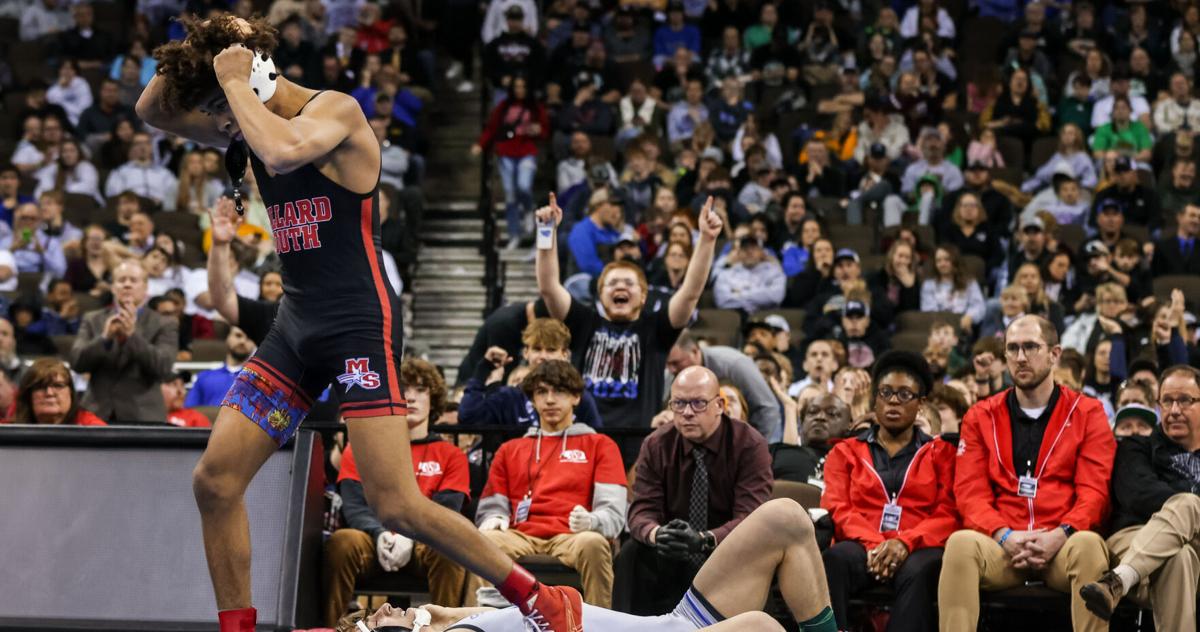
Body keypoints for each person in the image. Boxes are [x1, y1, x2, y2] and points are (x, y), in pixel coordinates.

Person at [136, 16, 582, 632]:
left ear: (259, 79)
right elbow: (150, 109)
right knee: (214, 481)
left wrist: (235, 82)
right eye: (216, 112)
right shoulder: (245, 115)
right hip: (295, 328)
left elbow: (282, 150)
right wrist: (203, 47)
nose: (220, 125)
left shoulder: (336, 113)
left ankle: (541, 597)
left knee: (395, 503)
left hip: (358, 327)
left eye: (224, 109)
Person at [342, 497, 838, 632]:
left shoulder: (453, 625)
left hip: (674, 625)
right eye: (374, 618)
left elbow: (453, 615)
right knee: (760, 628)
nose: (383, 607)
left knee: (785, 518)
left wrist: (432, 617)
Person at [939, 315, 1115, 632]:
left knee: (1089, 546)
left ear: (1055, 354)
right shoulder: (980, 415)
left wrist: (1059, 535)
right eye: (1013, 349)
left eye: (1031, 347)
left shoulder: (1088, 412)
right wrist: (1004, 535)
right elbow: (970, 495)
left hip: (1063, 544)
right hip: (1003, 545)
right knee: (961, 544)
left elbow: (1094, 493)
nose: (1021, 357)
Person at [534, 193, 719, 464]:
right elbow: (549, 288)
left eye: (629, 283)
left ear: (643, 297)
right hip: (584, 441)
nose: (621, 287)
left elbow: (690, 294)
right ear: (600, 295)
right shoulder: (585, 323)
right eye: (613, 283)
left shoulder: (655, 329)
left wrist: (707, 239)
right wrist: (546, 232)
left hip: (640, 445)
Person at [325, 358, 471, 626]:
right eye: (403, 388)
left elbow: (446, 511)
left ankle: (447, 629)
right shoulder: (361, 448)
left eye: (421, 389)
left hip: (426, 544)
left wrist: (412, 539)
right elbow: (355, 506)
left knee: (450, 548)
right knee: (342, 541)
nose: (411, 397)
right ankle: (333, 628)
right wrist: (380, 533)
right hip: (373, 539)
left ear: (434, 398)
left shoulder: (452, 455)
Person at [618, 366, 773, 616]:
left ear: (719, 405)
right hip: (671, 551)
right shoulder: (657, 444)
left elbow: (750, 520)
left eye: (698, 403)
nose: (687, 413)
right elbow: (641, 510)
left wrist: (703, 540)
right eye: (678, 404)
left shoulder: (749, 444)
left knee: (754, 547)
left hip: (729, 553)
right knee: (632, 553)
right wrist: (658, 534)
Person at [470, 360, 625, 608]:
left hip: (573, 536)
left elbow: (614, 514)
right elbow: (492, 506)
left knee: (593, 542)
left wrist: (593, 521)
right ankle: (485, 622)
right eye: (542, 392)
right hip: (521, 534)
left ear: (576, 397)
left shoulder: (600, 444)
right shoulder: (510, 449)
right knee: (482, 541)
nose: (550, 400)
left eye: (559, 391)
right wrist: (494, 517)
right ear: (532, 399)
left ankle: (600, 623)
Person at [822, 351, 958, 632]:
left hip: (917, 548)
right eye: (886, 393)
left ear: (920, 404)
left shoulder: (941, 453)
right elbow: (837, 507)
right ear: (875, 401)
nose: (894, 400)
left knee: (921, 569)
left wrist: (904, 543)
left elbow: (948, 512)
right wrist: (875, 544)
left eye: (905, 394)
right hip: (862, 546)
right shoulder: (845, 451)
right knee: (834, 559)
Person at [1079, 365, 1200, 630]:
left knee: (1191, 506)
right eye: (1167, 401)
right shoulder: (1137, 445)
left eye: (1185, 400)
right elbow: (1138, 494)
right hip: (1135, 534)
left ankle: (1117, 582)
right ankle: (1123, 576)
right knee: (1179, 557)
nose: (1174, 410)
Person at [69, 260, 177, 422]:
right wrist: (104, 338)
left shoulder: (164, 323)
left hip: (144, 417)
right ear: (113, 287)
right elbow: (77, 362)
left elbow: (163, 367)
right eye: (121, 280)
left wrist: (132, 337)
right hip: (97, 415)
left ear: (146, 287)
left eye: (133, 280)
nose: (127, 285)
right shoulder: (92, 319)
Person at [459, 318, 603, 428]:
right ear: (526, 353)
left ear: (565, 354)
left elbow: (596, 439)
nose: (543, 356)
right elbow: (468, 418)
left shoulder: (579, 398)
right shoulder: (509, 397)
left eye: (551, 350)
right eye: (537, 349)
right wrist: (482, 371)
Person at [471, 75, 549, 250]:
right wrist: (480, 145)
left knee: (523, 186)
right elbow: (492, 128)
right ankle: (515, 234)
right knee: (510, 195)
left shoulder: (536, 108)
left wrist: (538, 131)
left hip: (527, 151)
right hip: (506, 152)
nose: (520, 90)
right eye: (517, 87)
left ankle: (529, 211)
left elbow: (545, 131)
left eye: (523, 87)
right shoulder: (503, 107)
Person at [664, 330, 782, 440]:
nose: (671, 369)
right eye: (667, 364)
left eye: (675, 362)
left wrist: (754, 448)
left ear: (695, 351)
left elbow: (768, 408)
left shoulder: (734, 365)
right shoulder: (675, 373)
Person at [770, 389, 853, 484]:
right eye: (812, 412)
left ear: (848, 425)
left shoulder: (852, 464)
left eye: (831, 413)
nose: (820, 417)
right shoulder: (777, 451)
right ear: (802, 421)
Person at [7, 357, 105, 426]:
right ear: (28, 396)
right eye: (40, 387)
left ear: (70, 392)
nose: (49, 393)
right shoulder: (8, 430)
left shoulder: (91, 426)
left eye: (58, 386)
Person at [711, 236, 785, 314]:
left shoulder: (774, 272)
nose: (749, 252)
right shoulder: (725, 274)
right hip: (735, 317)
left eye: (753, 248)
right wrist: (759, 295)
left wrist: (739, 293)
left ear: (761, 252)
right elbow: (722, 301)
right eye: (745, 249)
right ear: (739, 253)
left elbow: (776, 297)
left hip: (766, 317)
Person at [184, 327, 256, 407]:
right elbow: (189, 410)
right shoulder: (204, 376)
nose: (242, 341)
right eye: (238, 335)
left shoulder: (257, 381)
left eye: (249, 338)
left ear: (255, 344)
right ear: (227, 338)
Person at [1151, 202, 1200, 276]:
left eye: (1199, 217)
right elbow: (1156, 278)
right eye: (1192, 215)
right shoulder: (1162, 247)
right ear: (1179, 217)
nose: (1196, 220)